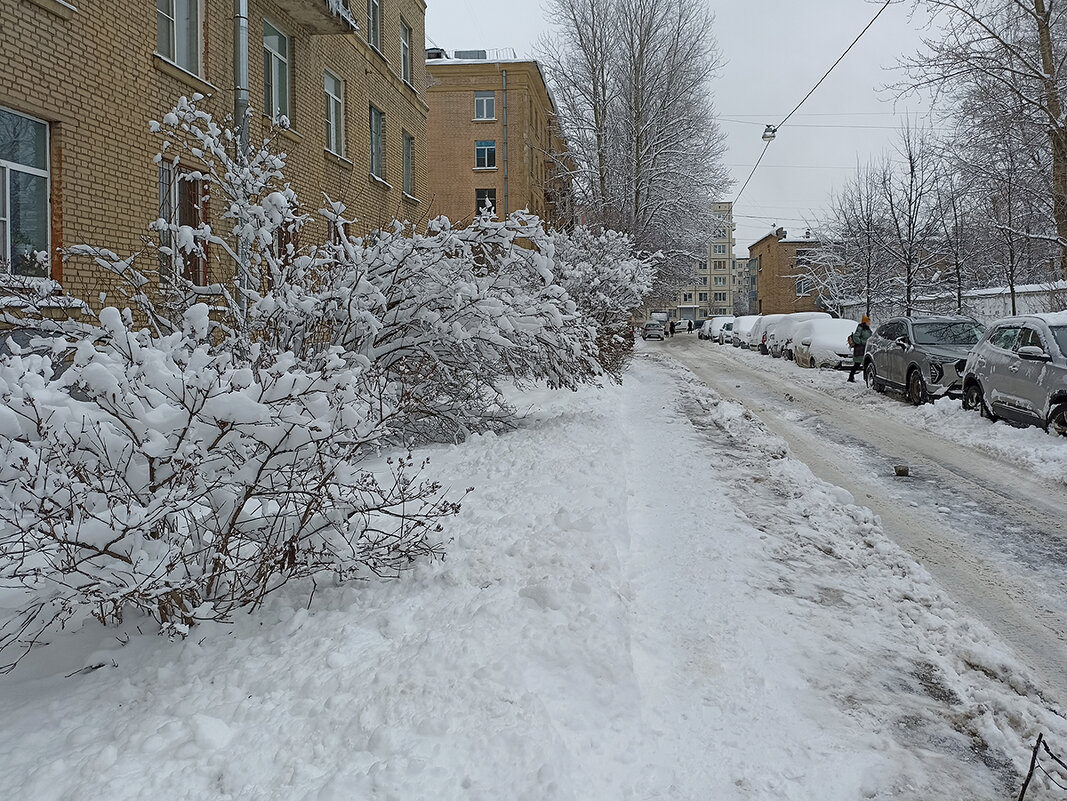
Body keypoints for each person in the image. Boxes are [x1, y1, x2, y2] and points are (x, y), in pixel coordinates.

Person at [847, 315, 872, 382]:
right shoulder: (860, 328)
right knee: (857, 364)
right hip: (860, 349)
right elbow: (855, 337)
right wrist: (862, 342)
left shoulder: (867, 329)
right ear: (865, 322)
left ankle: (866, 378)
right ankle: (851, 377)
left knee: (865, 364)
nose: (869, 323)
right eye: (868, 321)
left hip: (865, 348)